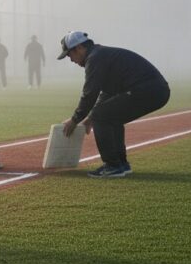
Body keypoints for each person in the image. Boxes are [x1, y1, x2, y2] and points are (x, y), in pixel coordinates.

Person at [58, 31, 171, 178]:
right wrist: (90, 118)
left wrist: (75, 119)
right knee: (110, 116)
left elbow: (90, 93)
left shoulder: (95, 58)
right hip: (154, 90)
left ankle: (113, 165)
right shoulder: (100, 55)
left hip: (147, 90)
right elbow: (107, 93)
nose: (71, 60)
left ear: (79, 48)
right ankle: (121, 164)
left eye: (69, 55)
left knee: (102, 116)